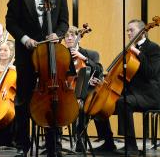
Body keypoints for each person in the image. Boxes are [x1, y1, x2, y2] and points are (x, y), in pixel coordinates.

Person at [6, 0, 69, 157]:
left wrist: (57, 34)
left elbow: (64, 21)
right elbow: (11, 21)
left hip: (50, 54)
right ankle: (22, 146)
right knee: (23, 99)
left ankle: (53, 148)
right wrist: (24, 39)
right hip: (27, 54)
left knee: (53, 98)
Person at [93, 19, 160, 155]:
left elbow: (152, 73)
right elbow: (123, 77)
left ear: (143, 31)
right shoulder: (130, 51)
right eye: (127, 30)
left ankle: (131, 147)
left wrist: (139, 54)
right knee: (100, 104)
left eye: (132, 30)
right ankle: (108, 142)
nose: (128, 33)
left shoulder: (153, 48)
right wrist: (104, 82)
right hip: (133, 94)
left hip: (150, 95)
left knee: (124, 102)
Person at [64, 26, 104, 152]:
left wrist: (83, 58)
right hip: (66, 90)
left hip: (85, 90)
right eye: (66, 36)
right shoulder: (61, 54)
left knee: (84, 101)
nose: (69, 38)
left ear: (79, 38)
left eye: (73, 35)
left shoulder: (91, 54)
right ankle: (55, 142)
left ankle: (80, 140)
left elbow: (99, 70)